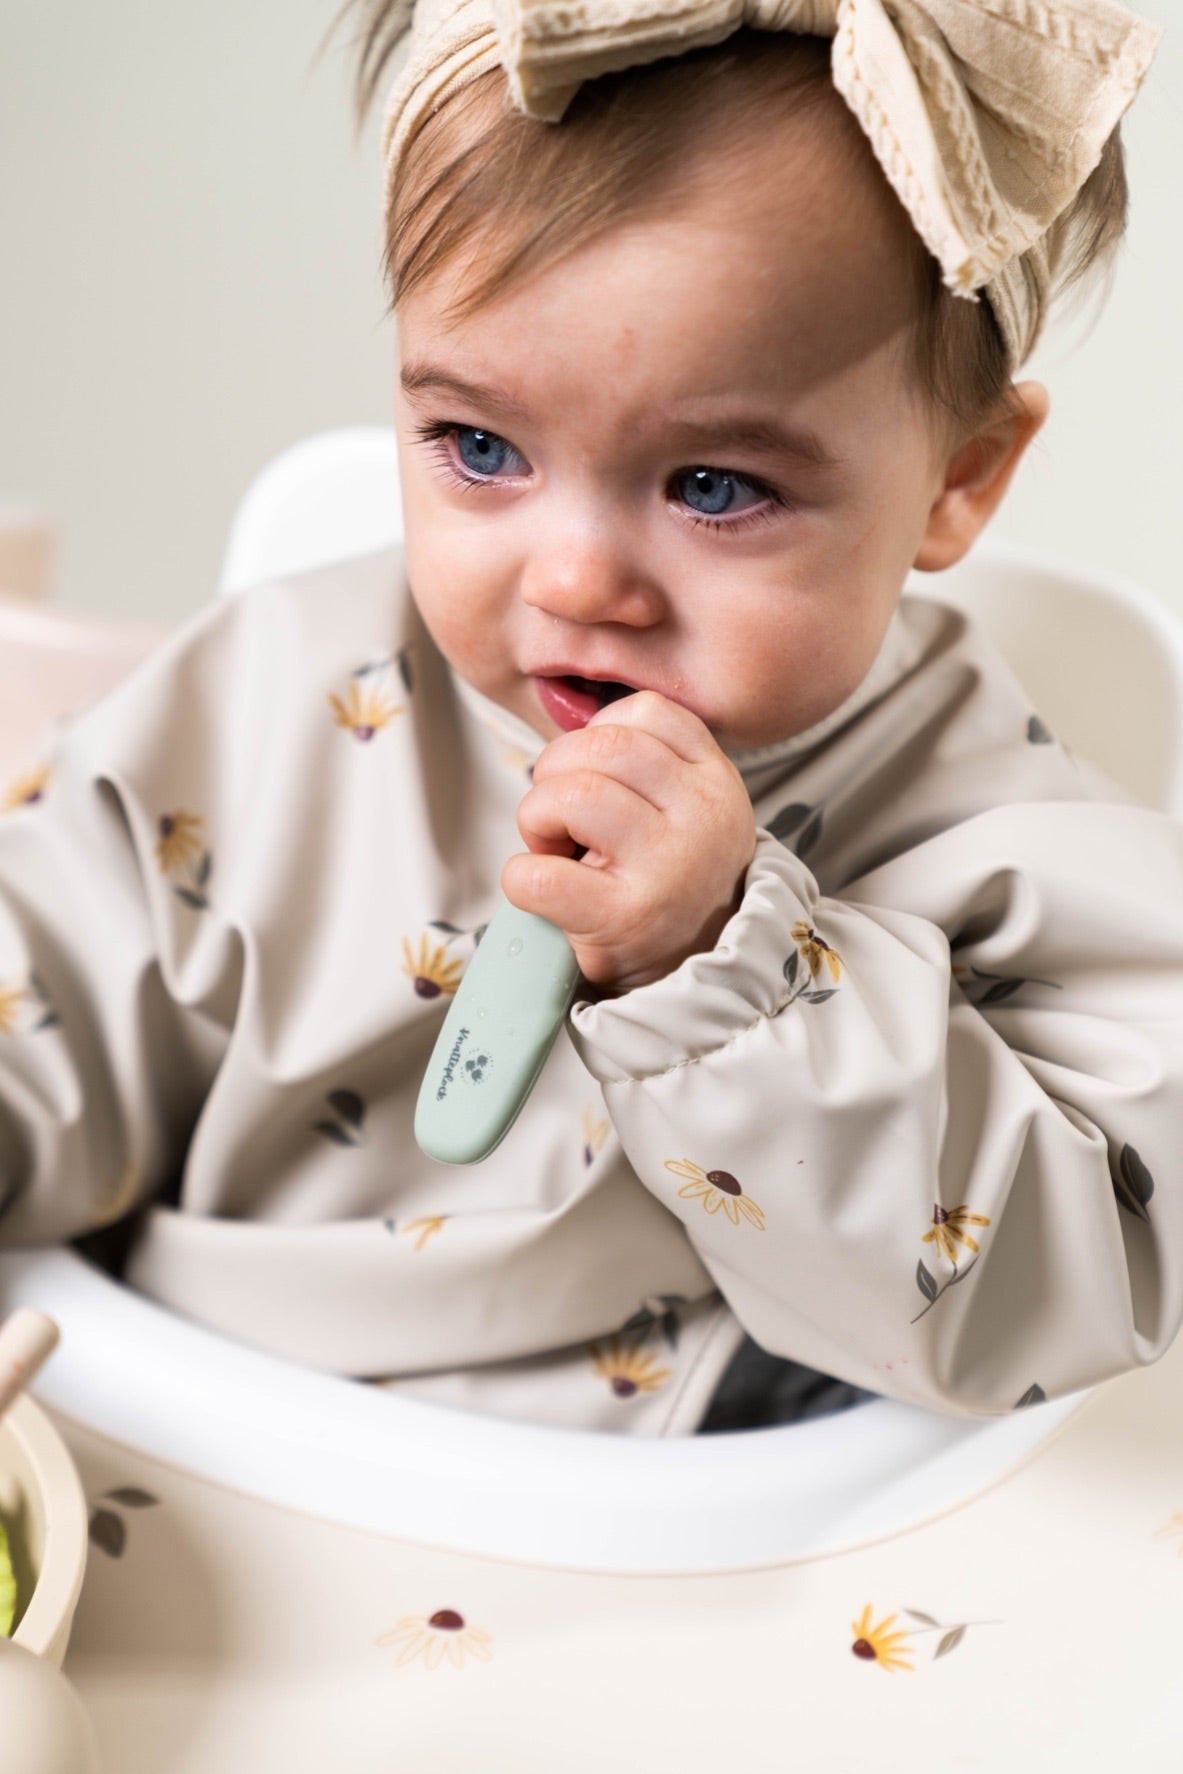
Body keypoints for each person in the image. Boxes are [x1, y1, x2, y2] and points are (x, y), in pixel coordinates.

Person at [0, 0, 1175, 1438]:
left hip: (656, 1522)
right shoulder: (275, 691)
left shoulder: (1008, 840)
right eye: (479, 447)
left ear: (958, 478)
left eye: (715, 487)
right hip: (159, 1427)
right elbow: (43, 980)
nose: (572, 581)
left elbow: (1088, 1277)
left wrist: (732, 974)